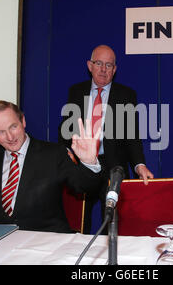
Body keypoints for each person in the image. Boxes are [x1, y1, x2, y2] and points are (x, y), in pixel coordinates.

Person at [0, 100, 102, 233]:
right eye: (0, 132)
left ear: (23, 121)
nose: (10, 137)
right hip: (2, 243)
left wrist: (89, 162)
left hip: (47, 241)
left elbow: (85, 186)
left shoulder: (54, 153)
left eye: (13, 127)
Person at [58, 44, 154, 233]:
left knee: (111, 225)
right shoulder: (76, 91)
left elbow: (132, 135)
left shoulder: (126, 94)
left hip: (113, 168)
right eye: (99, 63)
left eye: (108, 65)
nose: (103, 69)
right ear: (89, 65)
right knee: (77, 223)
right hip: (81, 165)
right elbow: (66, 130)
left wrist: (139, 164)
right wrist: (65, 154)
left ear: (115, 69)